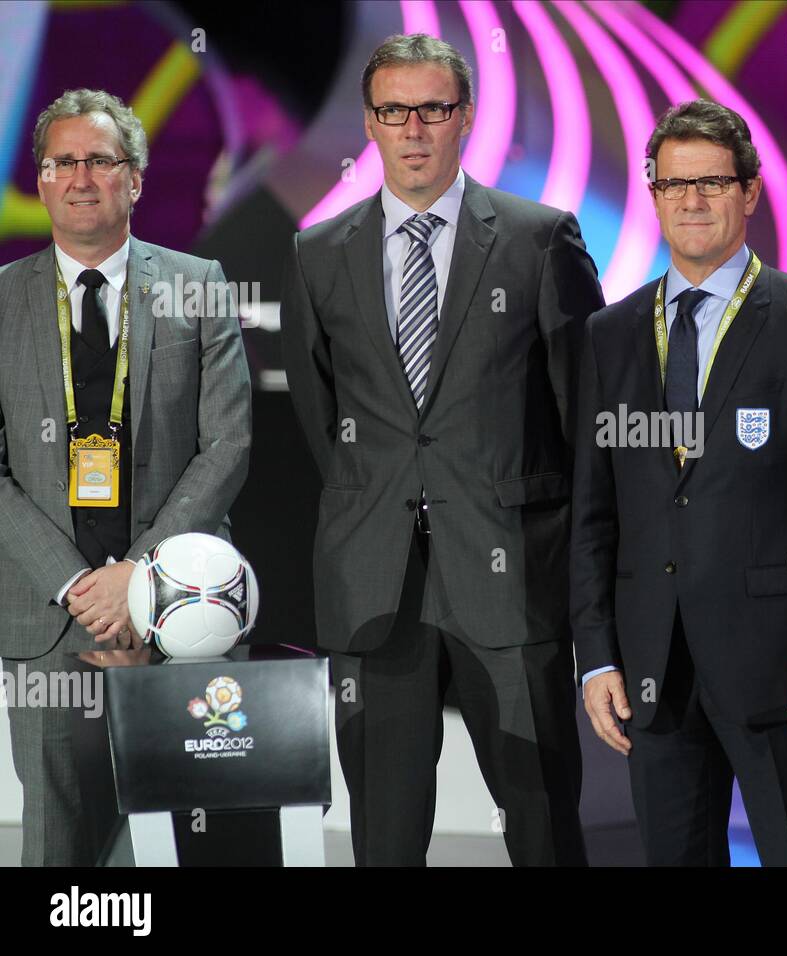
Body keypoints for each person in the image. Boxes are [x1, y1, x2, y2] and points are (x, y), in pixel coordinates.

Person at [280, 34, 604, 866]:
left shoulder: (539, 240)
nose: (414, 128)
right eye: (394, 111)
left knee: (542, 828)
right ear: (370, 122)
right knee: (384, 837)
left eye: (433, 109)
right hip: (374, 585)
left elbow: (587, 417)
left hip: (511, 581)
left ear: (466, 117)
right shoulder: (320, 254)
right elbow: (326, 421)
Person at [571, 99, 787, 866]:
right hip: (653, 670)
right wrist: (599, 655)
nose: (693, 201)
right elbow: (594, 511)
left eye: (711, 182)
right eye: (674, 185)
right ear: (654, 197)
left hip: (782, 671)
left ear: (750, 191)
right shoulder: (611, 335)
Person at [0, 89, 252, 865]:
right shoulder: (1, 298)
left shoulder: (198, 283)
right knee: (57, 848)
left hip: (180, 616)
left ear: (135, 179)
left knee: (181, 843)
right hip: (49, 627)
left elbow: (228, 443)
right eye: (62, 162)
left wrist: (139, 583)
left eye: (100, 161)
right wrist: (80, 587)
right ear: (40, 180)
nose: (81, 177)